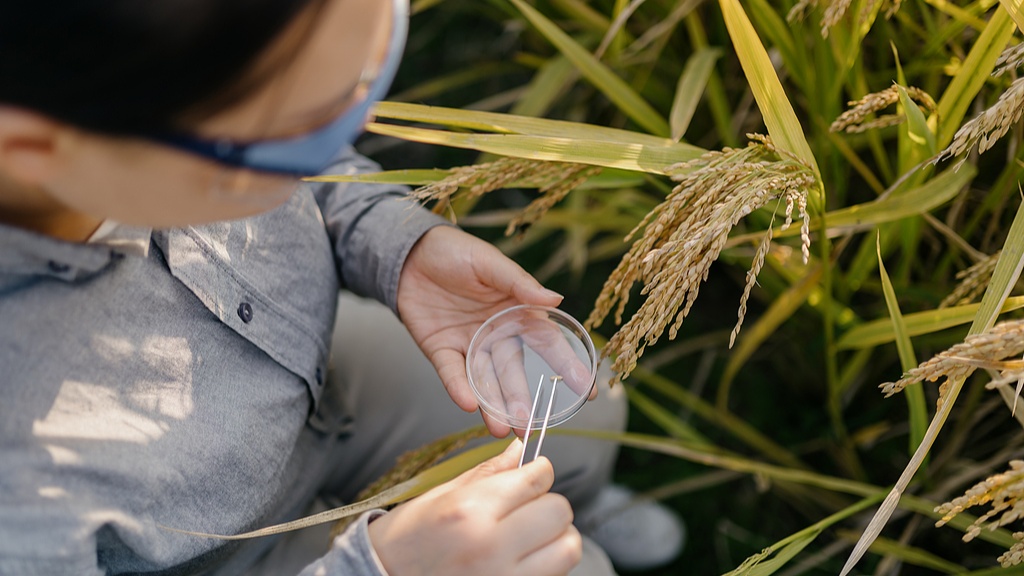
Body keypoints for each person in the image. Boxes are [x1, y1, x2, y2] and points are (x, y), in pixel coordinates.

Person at [0, 0, 684, 574]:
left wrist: (387, 239)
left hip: (331, 369)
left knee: (584, 413)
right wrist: (380, 567)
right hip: (228, 557)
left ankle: (587, 507)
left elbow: (313, 149)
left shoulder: (144, 96)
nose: (351, 126)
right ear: (34, 153)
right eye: (306, 128)